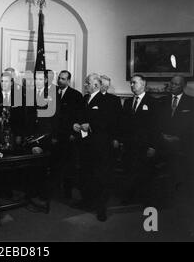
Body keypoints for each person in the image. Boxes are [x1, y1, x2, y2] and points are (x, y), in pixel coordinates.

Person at [73, 73, 113, 221]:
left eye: (87, 83)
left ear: (95, 85)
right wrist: (76, 124)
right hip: (84, 144)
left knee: (100, 177)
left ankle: (101, 208)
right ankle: (87, 201)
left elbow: (108, 122)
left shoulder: (107, 100)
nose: (85, 85)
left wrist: (91, 125)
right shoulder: (84, 99)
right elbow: (79, 115)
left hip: (99, 146)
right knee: (85, 174)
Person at [118, 74, 159, 206]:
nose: (131, 85)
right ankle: (129, 197)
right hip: (130, 145)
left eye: (134, 83)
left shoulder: (153, 102)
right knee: (129, 171)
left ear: (143, 84)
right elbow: (123, 124)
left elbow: (156, 127)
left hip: (145, 145)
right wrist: (122, 141)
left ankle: (146, 200)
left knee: (145, 173)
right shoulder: (128, 102)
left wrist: (153, 146)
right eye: (130, 83)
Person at [159, 76, 194, 192]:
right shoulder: (162, 100)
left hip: (182, 145)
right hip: (162, 143)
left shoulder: (191, 102)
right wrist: (162, 136)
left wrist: (178, 138)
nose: (172, 86)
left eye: (176, 84)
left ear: (183, 86)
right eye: (171, 83)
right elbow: (157, 121)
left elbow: (191, 126)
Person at [53, 70, 84, 199]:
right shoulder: (52, 93)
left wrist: (73, 134)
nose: (60, 81)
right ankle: (55, 189)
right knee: (55, 163)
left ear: (69, 81)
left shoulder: (76, 95)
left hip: (68, 136)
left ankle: (67, 192)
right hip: (55, 135)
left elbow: (79, 116)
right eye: (59, 78)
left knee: (68, 165)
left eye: (64, 79)